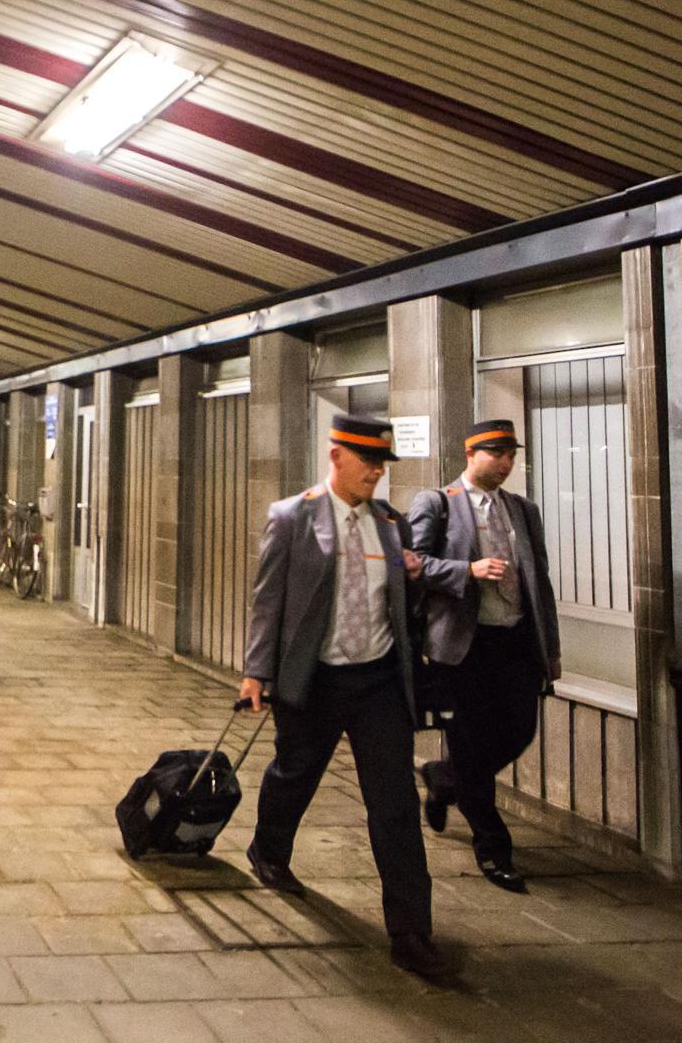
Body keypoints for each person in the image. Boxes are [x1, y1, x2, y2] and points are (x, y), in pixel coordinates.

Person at [238, 413, 451, 980]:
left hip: (378, 680)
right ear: (336, 457)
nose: (377, 473)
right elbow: (269, 601)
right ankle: (268, 848)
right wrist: (257, 672)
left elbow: (397, 603)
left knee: (395, 805)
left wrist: (414, 574)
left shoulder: (389, 523)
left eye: (383, 464)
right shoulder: (292, 517)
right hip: (316, 678)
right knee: (294, 772)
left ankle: (410, 932)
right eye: (368, 462)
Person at [405, 419, 561, 894]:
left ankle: (444, 777)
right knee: (472, 743)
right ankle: (493, 847)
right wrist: (465, 570)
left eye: (512, 454)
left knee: (519, 729)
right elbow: (409, 564)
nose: (507, 462)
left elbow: (540, 582)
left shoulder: (522, 510)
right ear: (471, 453)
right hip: (463, 647)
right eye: (497, 453)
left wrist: (549, 648)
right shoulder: (438, 504)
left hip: (515, 642)